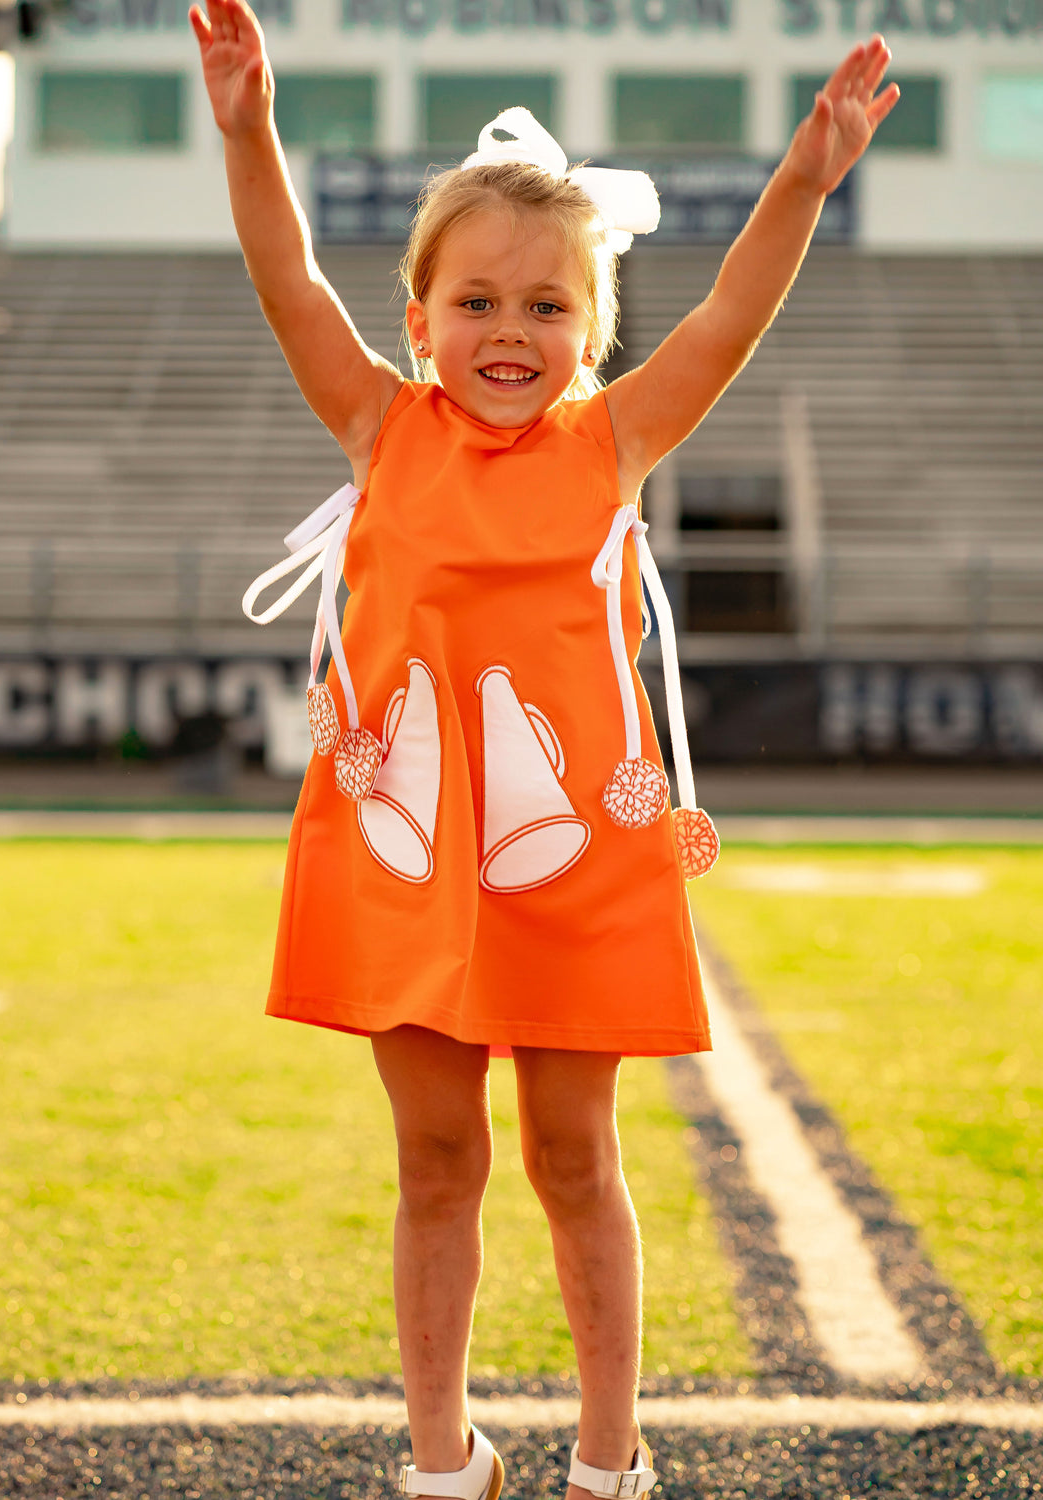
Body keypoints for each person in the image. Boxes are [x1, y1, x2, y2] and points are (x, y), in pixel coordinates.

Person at [191, 5, 898, 1496]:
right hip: (408, 846)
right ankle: (443, 1459)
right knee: (436, 1160)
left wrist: (804, 179)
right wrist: (250, 130)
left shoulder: (611, 443)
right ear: (419, 321)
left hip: (571, 857)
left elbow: (729, 316)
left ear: (592, 331)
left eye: (546, 307)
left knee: (575, 1156)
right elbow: (286, 275)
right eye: (476, 302)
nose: (509, 331)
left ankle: (607, 1457)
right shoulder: (380, 427)